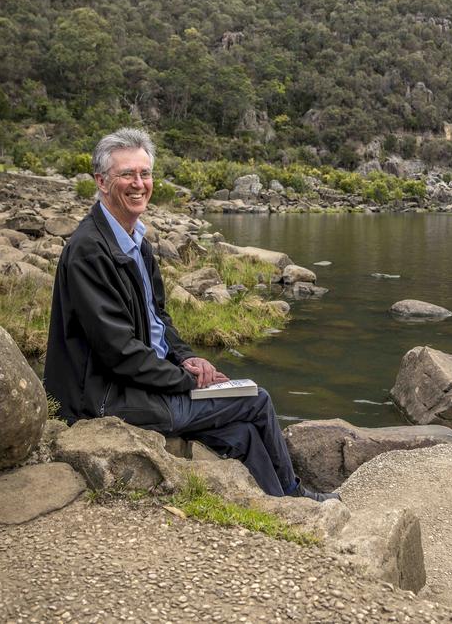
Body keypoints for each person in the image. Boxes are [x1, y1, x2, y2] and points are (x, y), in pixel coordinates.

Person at [44, 127, 338, 502]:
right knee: (257, 399)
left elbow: (158, 320)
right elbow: (118, 351)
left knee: (243, 434)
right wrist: (185, 380)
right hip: (105, 399)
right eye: (127, 175)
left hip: (137, 384)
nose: (139, 184)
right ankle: (296, 495)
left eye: (145, 174)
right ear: (102, 182)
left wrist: (188, 357)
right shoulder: (90, 251)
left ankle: (279, 505)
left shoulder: (135, 242)